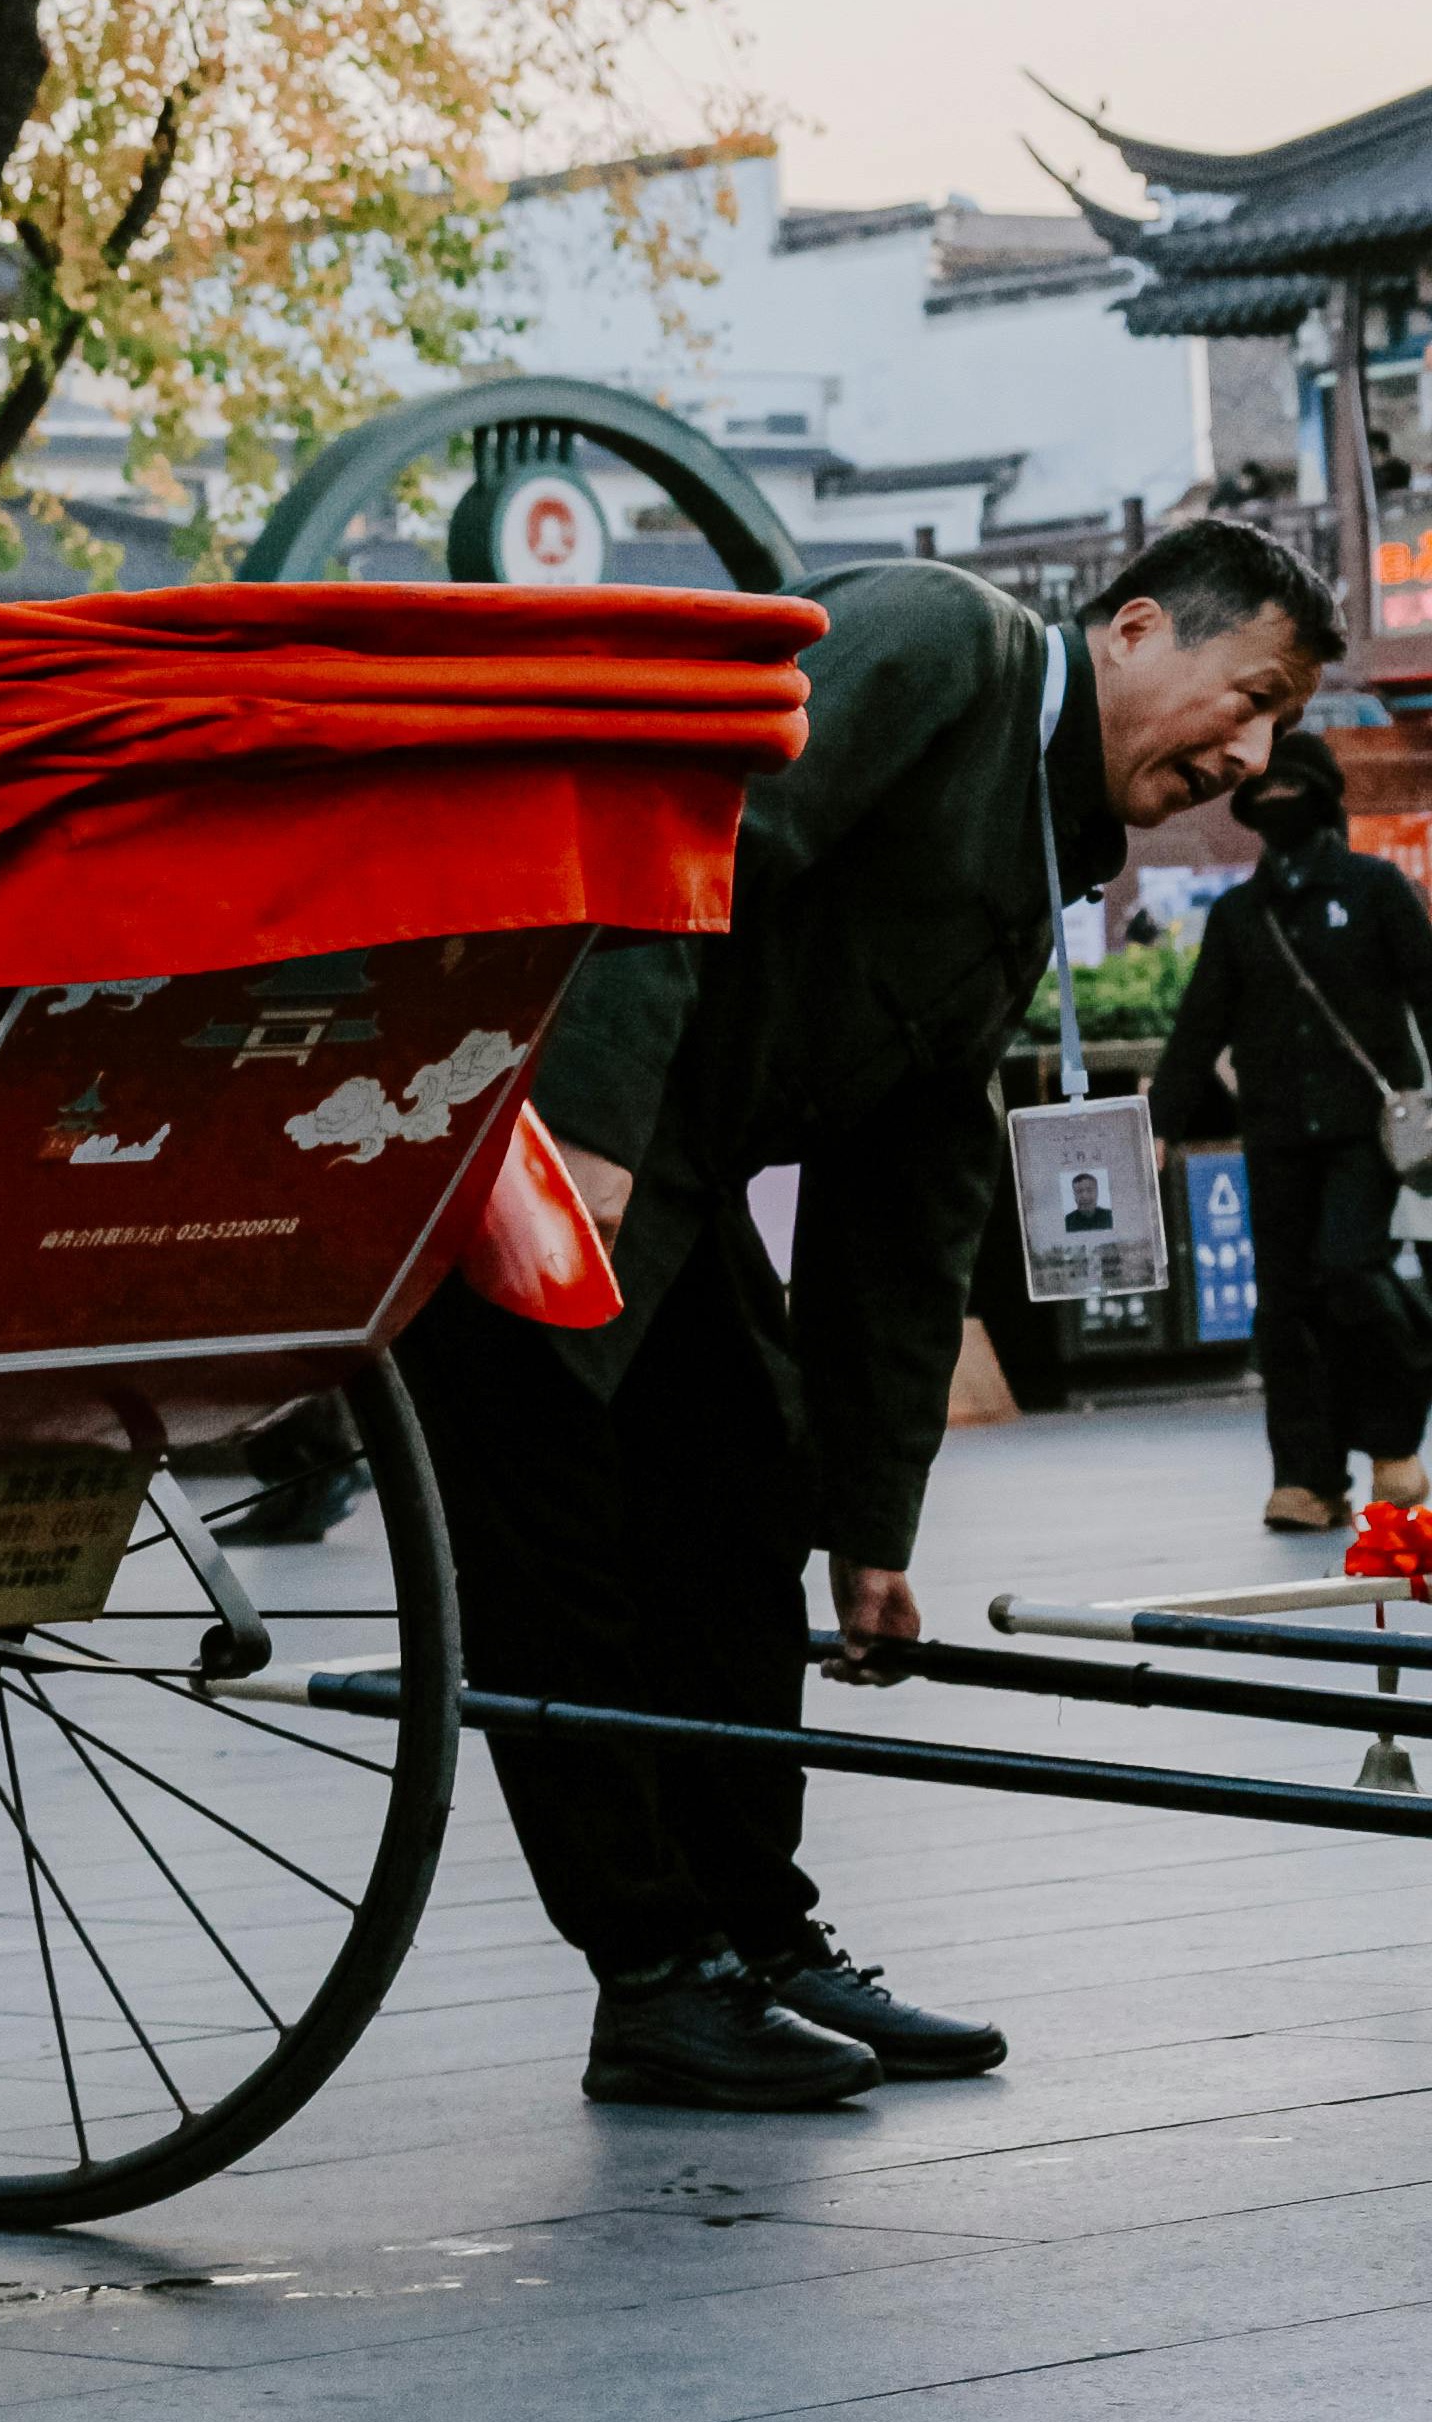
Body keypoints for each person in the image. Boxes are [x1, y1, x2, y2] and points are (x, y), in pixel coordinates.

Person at [402, 517, 1330, 2112]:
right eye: (1246, 695)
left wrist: (874, 1518)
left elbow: (916, 1182)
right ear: (1132, 629)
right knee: (557, 1548)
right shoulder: (938, 642)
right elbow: (678, 827)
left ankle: (759, 1937)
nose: (1251, 755)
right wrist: (592, 1127)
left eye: (1279, 731)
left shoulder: (1047, 842)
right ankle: (654, 1975)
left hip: (671, 1180)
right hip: (519, 1115)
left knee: (747, 1494)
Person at [1153, 724, 1432, 1529]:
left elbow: (1429, 994)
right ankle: (1308, 1478)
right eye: (1262, 788)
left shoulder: (1378, 889)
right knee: (1283, 1307)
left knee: (1350, 1271)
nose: (1275, 798)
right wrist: (1159, 1127)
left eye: (1291, 785)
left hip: (1364, 1133)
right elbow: (1199, 1029)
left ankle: (1392, 1441)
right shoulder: (1241, 914)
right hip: (1273, 1137)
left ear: (1323, 796)